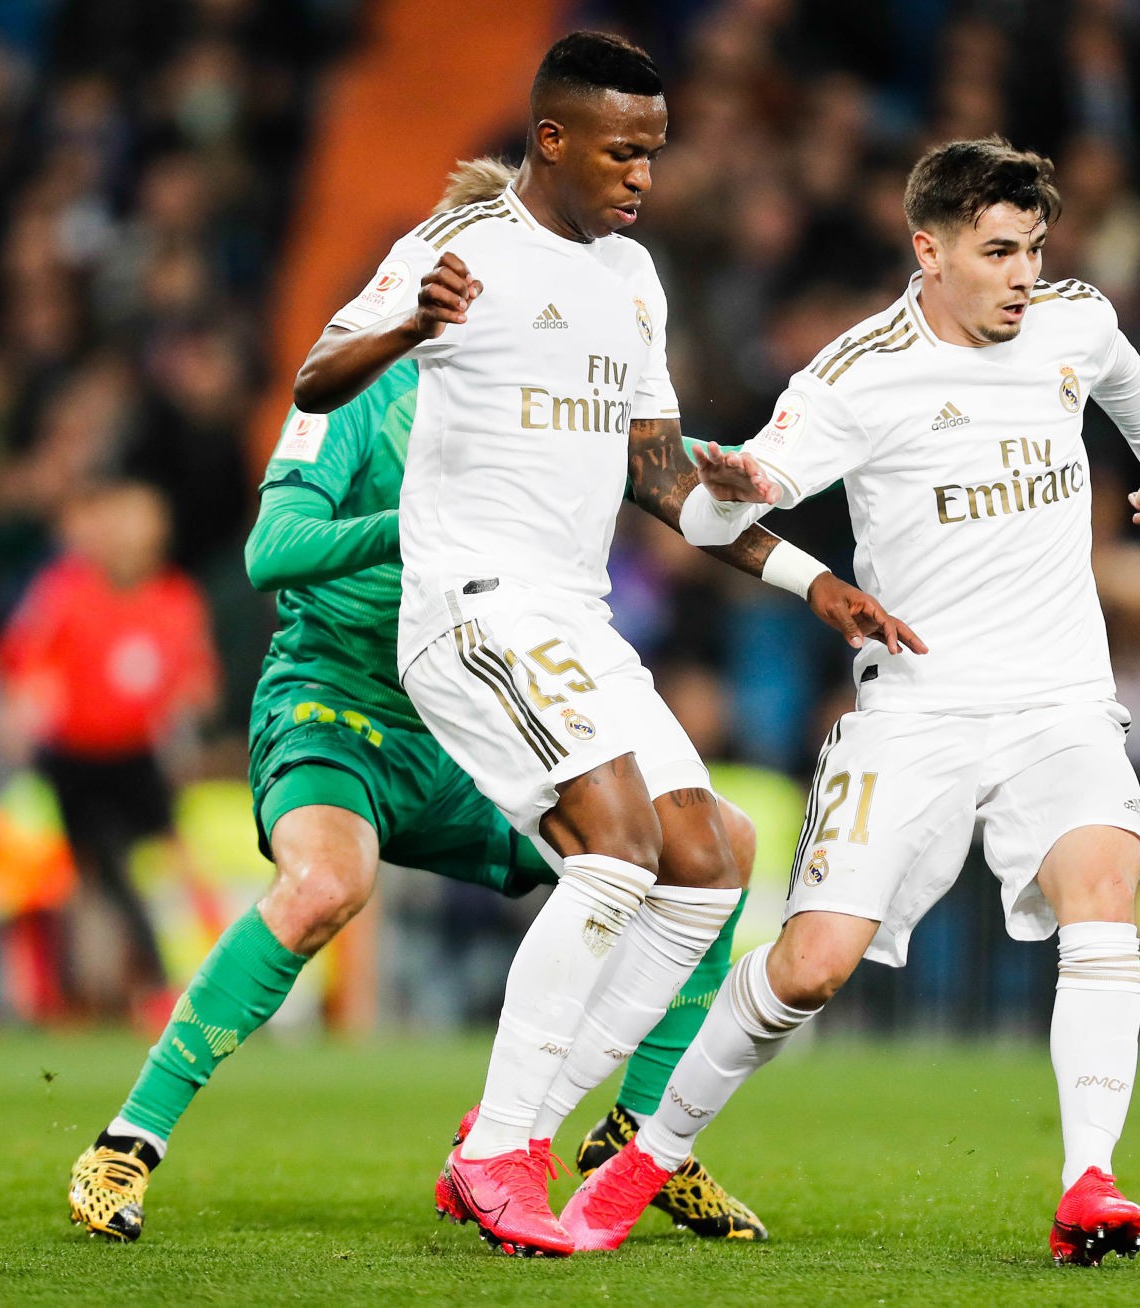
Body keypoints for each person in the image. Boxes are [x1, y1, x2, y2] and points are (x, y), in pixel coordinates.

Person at [66, 157, 774, 1248]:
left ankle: (627, 1135)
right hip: (339, 700)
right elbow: (272, 549)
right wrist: (429, 527)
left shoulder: (548, 392)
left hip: (472, 722)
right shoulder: (357, 391)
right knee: (321, 884)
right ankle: (127, 1143)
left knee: (709, 849)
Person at [289, 32, 917, 1259]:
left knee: (709, 856)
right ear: (554, 139)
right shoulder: (453, 252)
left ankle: (510, 1127)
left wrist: (807, 575)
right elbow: (316, 380)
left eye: (655, 152)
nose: (642, 174)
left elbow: (658, 478)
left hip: (573, 617)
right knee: (617, 849)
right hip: (474, 606)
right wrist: (408, 328)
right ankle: (497, 1154)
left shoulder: (633, 279)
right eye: (624, 151)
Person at [564, 138, 1140, 1265]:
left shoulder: (1071, 318)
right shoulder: (856, 376)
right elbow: (728, 506)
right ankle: (643, 1158)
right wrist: (734, 485)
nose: (1022, 275)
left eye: (1034, 249)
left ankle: (1086, 1183)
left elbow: (1119, 371)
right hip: (915, 712)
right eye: (998, 252)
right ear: (928, 249)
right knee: (810, 965)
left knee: (1103, 886)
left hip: (1057, 702)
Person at [0, 482, 219, 1015]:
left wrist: (185, 714)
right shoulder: (64, 592)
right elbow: (23, 659)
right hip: (73, 760)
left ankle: (183, 982)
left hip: (139, 759)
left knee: (162, 869)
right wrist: (23, 704)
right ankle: (80, 992)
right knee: (85, 874)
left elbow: (198, 684)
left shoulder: (175, 600)